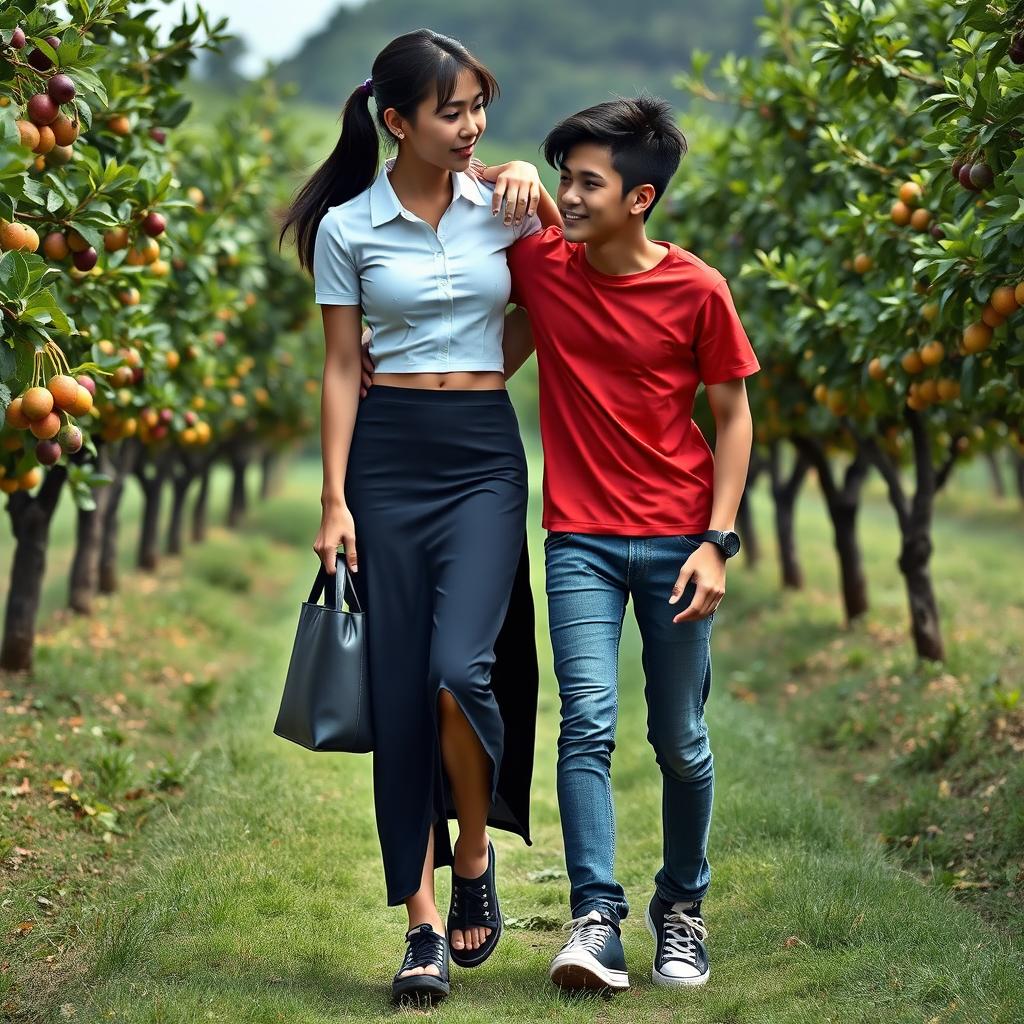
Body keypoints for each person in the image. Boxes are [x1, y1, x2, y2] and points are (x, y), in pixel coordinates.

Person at [278, 28, 560, 1006]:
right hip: (386, 462)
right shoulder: (348, 229)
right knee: (402, 698)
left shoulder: (505, 209)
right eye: (453, 111)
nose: (473, 127)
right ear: (396, 122)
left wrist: (533, 180)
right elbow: (339, 369)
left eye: (481, 107)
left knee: (456, 672)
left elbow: (553, 306)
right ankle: (421, 926)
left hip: (482, 454)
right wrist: (331, 502)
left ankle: (473, 849)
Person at [501, 94, 759, 993]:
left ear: (639, 199)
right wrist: (522, 183)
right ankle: (595, 919)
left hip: (682, 540)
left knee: (681, 739)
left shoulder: (697, 288)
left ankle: (681, 910)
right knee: (587, 724)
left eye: (587, 183)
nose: (569, 197)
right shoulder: (543, 264)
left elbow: (733, 418)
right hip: (579, 539)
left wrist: (718, 542)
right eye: (565, 179)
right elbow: (481, 195)